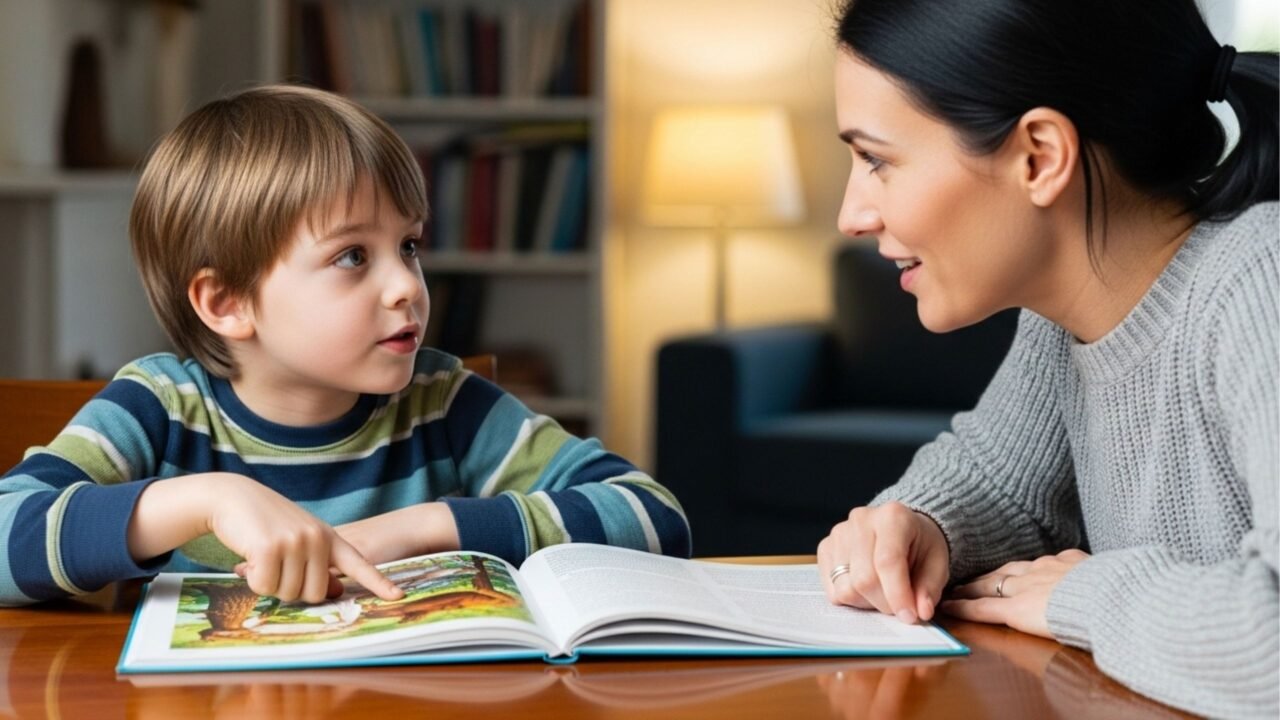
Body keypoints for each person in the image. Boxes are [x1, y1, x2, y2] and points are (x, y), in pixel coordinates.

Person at [0, 84, 690, 607]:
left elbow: (654, 517)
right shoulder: (159, 408)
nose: (407, 287)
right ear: (227, 302)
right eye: (353, 256)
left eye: (409, 245)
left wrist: (425, 527)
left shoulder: (444, 406)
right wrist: (206, 500)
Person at [816, 0, 1278, 716]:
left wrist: (1081, 595)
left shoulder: (1262, 279)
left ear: (1040, 156)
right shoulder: (1062, 318)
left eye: (877, 160)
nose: (852, 215)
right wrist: (919, 524)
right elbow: (997, 482)